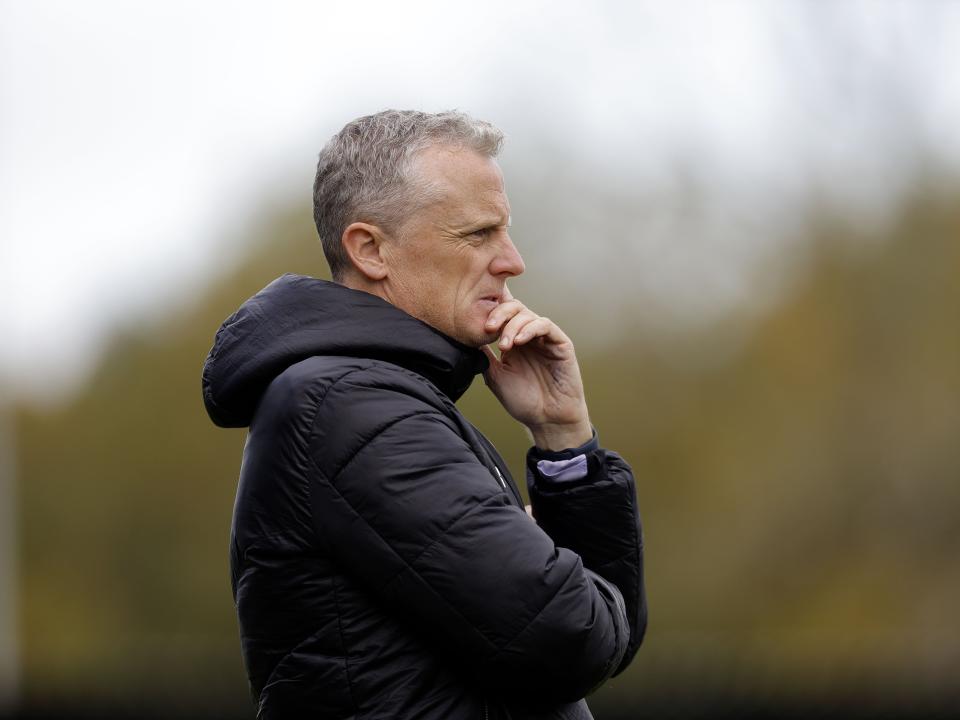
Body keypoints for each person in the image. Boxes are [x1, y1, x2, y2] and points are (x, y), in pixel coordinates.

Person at [202, 110, 646, 720]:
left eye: (506, 232)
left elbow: (600, 638)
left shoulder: (381, 397)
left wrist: (562, 439)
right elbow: (570, 637)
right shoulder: (351, 407)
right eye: (477, 235)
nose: (513, 261)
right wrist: (561, 575)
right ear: (371, 249)